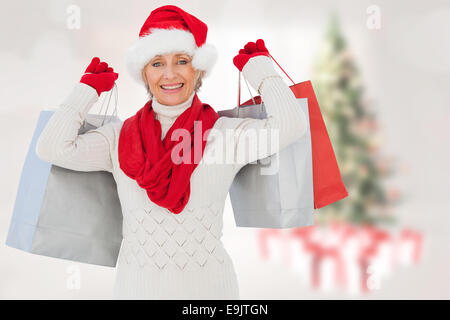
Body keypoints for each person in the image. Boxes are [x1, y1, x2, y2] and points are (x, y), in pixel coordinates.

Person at [35, 5, 307, 299]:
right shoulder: (117, 138)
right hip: (134, 291)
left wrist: (262, 72)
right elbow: (51, 148)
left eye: (181, 61)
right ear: (143, 72)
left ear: (198, 67)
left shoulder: (225, 135)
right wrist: (86, 91)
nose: (169, 74)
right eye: (156, 63)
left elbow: (291, 125)